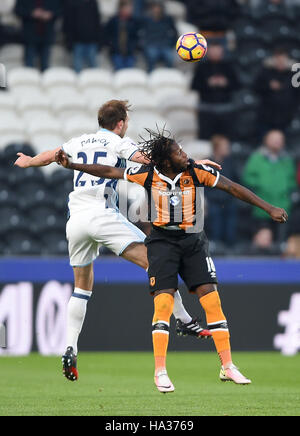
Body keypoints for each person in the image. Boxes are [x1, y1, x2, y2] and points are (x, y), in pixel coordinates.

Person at [56, 128, 288, 392]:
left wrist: (269, 208)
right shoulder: (147, 174)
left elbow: (233, 188)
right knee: (163, 303)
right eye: (178, 151)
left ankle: (227, 365)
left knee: (212, 299)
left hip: (194, 242)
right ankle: (161, 371)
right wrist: (72, 165)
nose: (184, 153)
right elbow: (110, 172)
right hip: (163, 244)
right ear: (166, 161)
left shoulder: (197, 171)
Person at [14, 100, 221, 381]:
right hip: (102, 215)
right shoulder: (119, 143)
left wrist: (28, 161)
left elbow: (51, 155)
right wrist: (193, 166)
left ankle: (70, 346)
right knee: (158, 262)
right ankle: (183, 319)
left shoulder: (78, 140)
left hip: (75, 220)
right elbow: (154, 163)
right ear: (121, 123)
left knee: (81, 287)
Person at [243, 130, 296, 241]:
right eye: (274, 139)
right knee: (263, 239)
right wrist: (261, 185)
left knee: (282, 241)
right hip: (262, 206)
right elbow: (247, 177)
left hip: (283, 205)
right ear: (266, 141)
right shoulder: (257, 158)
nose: (277, 142)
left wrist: (286, 189)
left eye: (280, 140)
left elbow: (292, 180)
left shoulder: (287, 160)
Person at [191, 42, 240, 139]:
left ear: (222, 52)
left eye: (218, 50)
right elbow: (193, 86)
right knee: (205, 138)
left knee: (226, 138)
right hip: (207, 108)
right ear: (208, 52)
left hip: (225, 107)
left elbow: (237, 85)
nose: (215, 53)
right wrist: (207, 84)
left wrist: (226, 83)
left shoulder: (228, 67)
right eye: (213, 50)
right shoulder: (202, 67)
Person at [254, 49, 298, 135]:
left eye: (283, 60)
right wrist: (268, 86)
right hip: (266, 115)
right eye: (278, 60)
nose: (280, 62)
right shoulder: (265, 71)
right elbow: (255, 88)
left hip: (286, 116)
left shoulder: (294, 74)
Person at [205, 135, 239, 246]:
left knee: (231, 227)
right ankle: (216, 246)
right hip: (214, 201)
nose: (228, 148)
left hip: (229, 200)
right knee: (216, 225)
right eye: (225, 146)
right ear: (217, 148)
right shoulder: (207, 164)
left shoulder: (231, 163)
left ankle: (231, 246)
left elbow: (237, 180)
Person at [15, 0, 62, 71]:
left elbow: (60, 10)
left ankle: (45, 81)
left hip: (47, 36)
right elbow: (18, 10)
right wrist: (31, 13)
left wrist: (50, 14)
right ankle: (29, 80)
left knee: (45, 65)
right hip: (30, 37)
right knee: (29, 64)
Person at [63, 0, 102, 73]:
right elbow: (68, 23)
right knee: (77, 68)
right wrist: (69, 41)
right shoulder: (72, 3)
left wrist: (99, 40)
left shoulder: (93, 3)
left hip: (91, 41)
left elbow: (97, 22)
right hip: (77, 41)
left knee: (94, 68)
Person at [140, 1, 177, 72]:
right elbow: (141, 33)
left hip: (165, 45)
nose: (157, 9)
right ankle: (151, 74)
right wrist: (144, 45)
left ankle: (169, 75)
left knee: (170, 58)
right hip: (151, 44)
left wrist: (172, 44)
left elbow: (174, 33)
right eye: (155, 7)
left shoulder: (168, 19)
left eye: (158, 7)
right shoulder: (146, 20)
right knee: (151, 56)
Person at [105, 0, 140, 70]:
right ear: (121, 8)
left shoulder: (133, 21)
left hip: (129, 52)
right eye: (127, 8)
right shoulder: (113, 21)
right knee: (119, 70)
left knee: (129, 71)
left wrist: (133, 47)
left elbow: (136, 37)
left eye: (130, 8)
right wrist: (111, 45)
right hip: (116, 52)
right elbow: (107, 34)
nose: (130, 10)